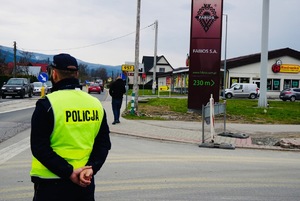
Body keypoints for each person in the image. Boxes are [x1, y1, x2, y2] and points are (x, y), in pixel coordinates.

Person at [30, 53, 111, 201]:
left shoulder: (47, 104)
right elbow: (103, 144)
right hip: (84, 182)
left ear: (54, 73)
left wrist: (69, 172)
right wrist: (91, 168)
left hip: (50, 183)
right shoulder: (95, 105)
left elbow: (39, 147)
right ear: (77, 74)